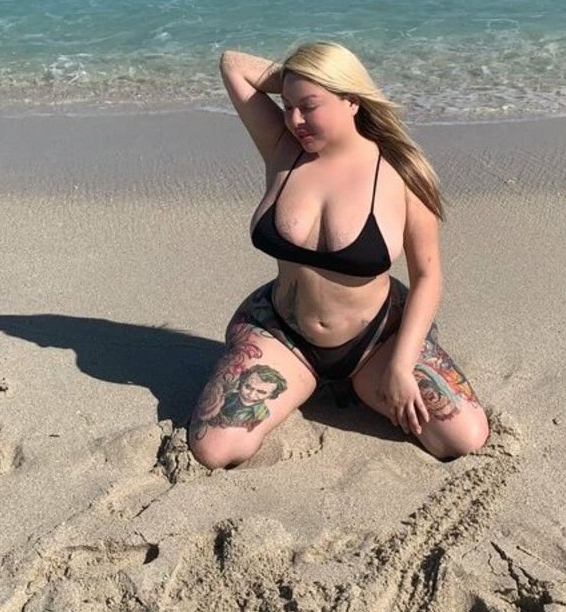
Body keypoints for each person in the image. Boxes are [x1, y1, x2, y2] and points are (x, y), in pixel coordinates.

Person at [188, 41, 490, 468]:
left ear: (352, 100)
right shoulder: (282, 148)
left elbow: (428, 277)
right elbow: (233, 64)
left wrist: (400, 365)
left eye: (309, 106)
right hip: (284, 333)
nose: (294, 119)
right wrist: (300, 81)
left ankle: (362, 379)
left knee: (464, 437)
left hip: (375, 341)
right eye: (288, 105)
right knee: (214, 450)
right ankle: (299, 378)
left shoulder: (402, 172)